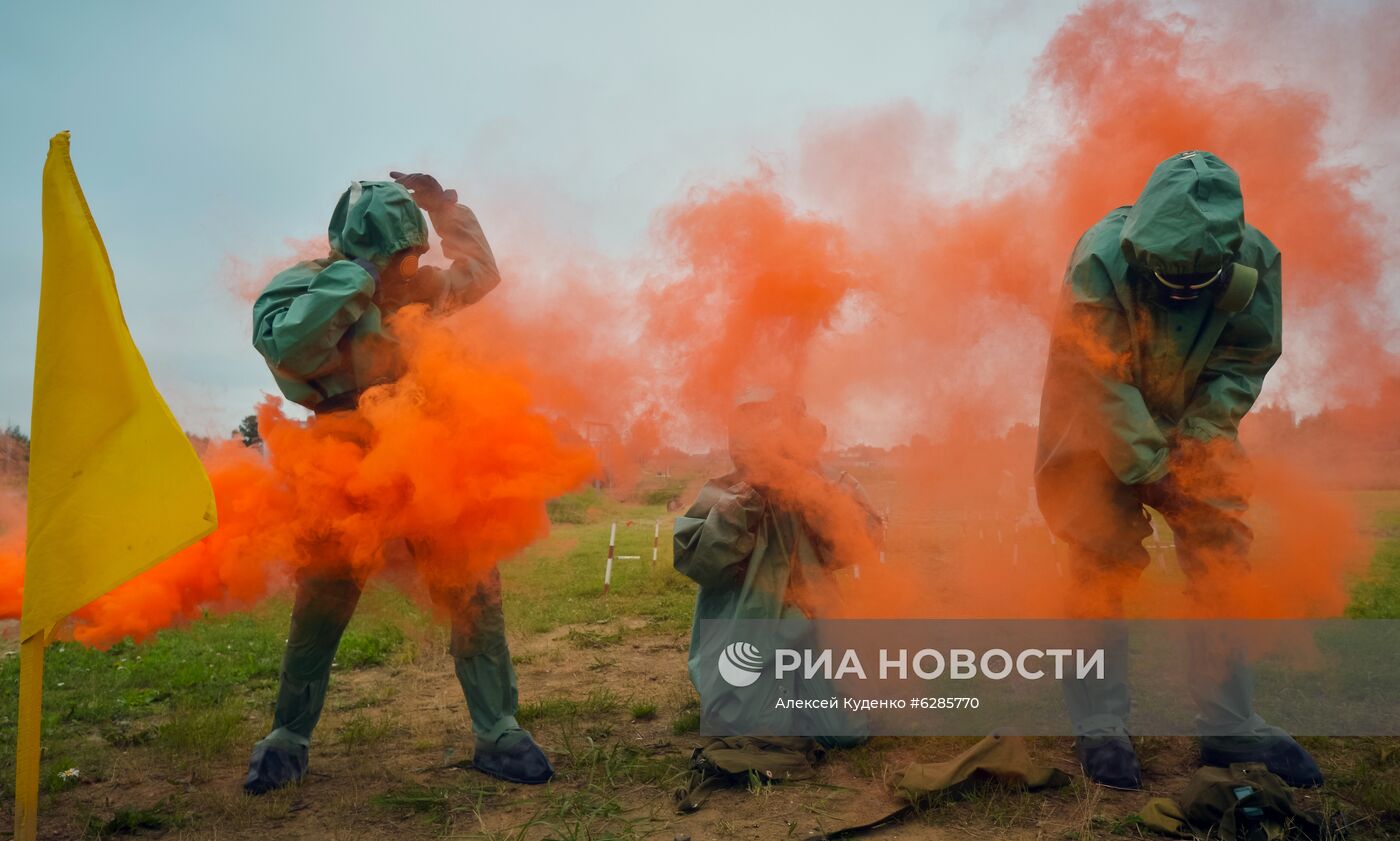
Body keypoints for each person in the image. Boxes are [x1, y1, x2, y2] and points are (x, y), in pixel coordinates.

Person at [243, 173, 553, 794]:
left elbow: (480, 275)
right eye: (395, 257)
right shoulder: (302, 287)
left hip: (425, 449)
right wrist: (355, 279)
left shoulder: (417, 287)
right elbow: (292, 350)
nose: (407, 271)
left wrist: (446, 211)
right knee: (322, 603)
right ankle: (288, 738)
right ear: (358, 248)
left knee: (472, 592)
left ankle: (498, 730)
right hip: (343, 460)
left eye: (412, 257)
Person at [1034, 151, 1321, 789]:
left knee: (1223, 554)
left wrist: (1198, 437)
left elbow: (1246, 357)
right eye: (1169, 285)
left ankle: (1229, 723)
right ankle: (1101, 726)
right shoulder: (1100, 258)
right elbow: (1096, 376)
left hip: (1193, 421)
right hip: (1095, 426)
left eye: (1197, 285)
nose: (1182, 297)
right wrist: (1150, 463)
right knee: (1097, 562)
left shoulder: (1258, 259)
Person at [673, 391, 880, 745]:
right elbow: (700, 562)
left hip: (815, 629)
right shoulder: (726, 493)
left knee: (843, 732)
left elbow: (862, 540)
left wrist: (814, 490)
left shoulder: (823, 484)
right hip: (748, 630)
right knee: (750, 725)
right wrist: (749, 497)